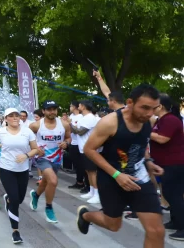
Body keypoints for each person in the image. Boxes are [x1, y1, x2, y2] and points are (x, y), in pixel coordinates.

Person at [77, 84, 165, 247]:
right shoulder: (110, 122)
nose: (149, 113)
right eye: (144, 108)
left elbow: (141, 143)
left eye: (154, 108)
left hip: (139, 178)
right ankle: (86, 216)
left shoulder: (149, 120)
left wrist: (148, 161)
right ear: (130, 102)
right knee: (113, 225)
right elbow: (89, 149)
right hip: (111, 178)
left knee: (157, 231)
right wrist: (117, 175)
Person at [0, 107, 39, 244]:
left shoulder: (27, 132)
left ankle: (9, 200)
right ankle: (15, 231)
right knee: (15, 199)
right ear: (6, 119)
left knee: (20, 199)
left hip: (22, 170)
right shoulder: (0, 132)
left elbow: (36, 149)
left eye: (17, 115)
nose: (15, 117)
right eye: (11, 115)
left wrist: (26, 155)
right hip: (6, 169)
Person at [28, 100, 71, 224]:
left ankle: (35, 195)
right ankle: (49, 207)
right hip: (42, 157)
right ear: (44, 111)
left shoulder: (64, 124)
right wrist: (35, 148)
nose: (52, 112)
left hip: (57, 158)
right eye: (49, 109)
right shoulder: (35, 125)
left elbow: (68, 137)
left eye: (54, 109)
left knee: (47, 182)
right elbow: (27, 138)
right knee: (53, 180)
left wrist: (66, 143)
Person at [149, 93, 184, 240]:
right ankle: (176, 221)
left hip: (174, 163)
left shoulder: (170, 120)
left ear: (160, 106)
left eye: (153, 105)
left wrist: (146, 132)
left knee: (173, 194)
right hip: (165, 163)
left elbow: (163, 139)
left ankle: (182, 227)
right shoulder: (161, 120)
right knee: (169, 193)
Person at [71, 100, 101, 203]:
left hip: (90, 148)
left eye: (79, 105)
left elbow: (80, 132)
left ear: (83, 106)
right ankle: (91, 191)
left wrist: (69, 124)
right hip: (83, 148)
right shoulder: (84, 118)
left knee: (93, 172)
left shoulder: (90, 118)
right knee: (88, 171)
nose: (78, 106)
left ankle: (97, 194)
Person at [67, 101, 86, 190]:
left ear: (74, 107)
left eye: (70, 105)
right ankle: (79, 181)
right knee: (76, 164)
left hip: (79, 143)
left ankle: (81, 182)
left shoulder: (81, 117)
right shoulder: (71, 116)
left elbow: (78, 130)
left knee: (80, 164)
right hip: (72, 142)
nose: (69, 107)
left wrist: (70, 124)